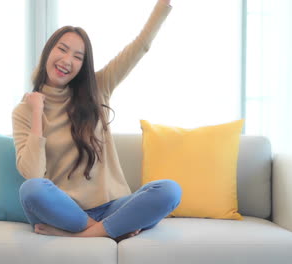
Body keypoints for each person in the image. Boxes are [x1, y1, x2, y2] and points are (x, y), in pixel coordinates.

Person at [12, 0, 181, 242]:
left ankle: (83, 234)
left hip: (113, 206)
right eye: (62, 49)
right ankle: (111, 230)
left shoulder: (98, 88)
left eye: (78, 56)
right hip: (64, 211)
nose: (67, 60)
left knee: (169, 190)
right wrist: (37, 111)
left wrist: (164, 4)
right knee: (31, 190)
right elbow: (34, 174)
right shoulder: (24, 111)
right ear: (48, 51)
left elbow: (140, 46)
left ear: (82, 65)